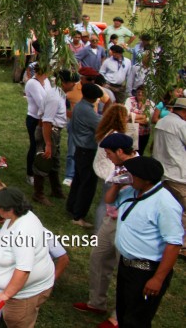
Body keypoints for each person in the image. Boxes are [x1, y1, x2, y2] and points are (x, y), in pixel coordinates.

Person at [106, 157, 183, 327]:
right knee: (123, 312)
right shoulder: (132, 191)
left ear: (147, 180)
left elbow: (173, 244)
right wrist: (116, 185)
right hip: (126, 266)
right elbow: (109, 200)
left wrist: (158, 279)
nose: (129, 177)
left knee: (136, 320)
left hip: (146, 271)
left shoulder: (165, 204)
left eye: (132, 175)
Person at [73, 133, 137, 328]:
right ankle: (96, 302)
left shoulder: (140, 169)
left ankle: (118, 317)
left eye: (109, 153)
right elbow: (109, 198)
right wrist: (117, 186)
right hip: (111, 219)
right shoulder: (119, 167)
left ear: (120, 151)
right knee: (98, 257)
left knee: (124, 270)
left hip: (129, 224)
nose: (107, 157)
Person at [0, 188, 55, 328]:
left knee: (17, 322)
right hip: (20, 292)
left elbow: (23, 270)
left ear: (10, 209)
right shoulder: (16, 217)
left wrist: (6, 294)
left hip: (23, 297)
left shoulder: (23, 232)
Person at [32, 70, 75, 206]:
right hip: (49, 131)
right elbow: (46, 121)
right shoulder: (54, 98)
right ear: (64, 83)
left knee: (54, 162)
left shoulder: (60, 94)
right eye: (72, 82)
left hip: (53, 131)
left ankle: (56, 190)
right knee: (43, 161)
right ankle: (38, 194)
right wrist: (48, 144)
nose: (74, 85)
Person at [151, 97, 186, 259]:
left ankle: (164, 237)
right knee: (183, 211)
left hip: (162, 173)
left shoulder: (162, 121)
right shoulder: (182, 125)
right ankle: (182, 245)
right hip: (179, 175)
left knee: (167, 209)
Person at [66, 83, 103, 228]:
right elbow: (101, 125)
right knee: (87, 184)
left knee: (78, 180)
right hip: (87, 150)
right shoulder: (87, 110)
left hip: (80, 149)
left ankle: (72, 206)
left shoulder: (80, 106)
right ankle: (78, 215)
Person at [24, 60, 51, 185]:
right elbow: (41, 103)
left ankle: (41, 170)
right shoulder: (32, 83)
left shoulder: (47, 81)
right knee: (34, 145)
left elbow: (50, 96)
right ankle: (30, 173)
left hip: (46, 118)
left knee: (44, 145)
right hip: (34, 119)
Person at [124, 85, 153, 155]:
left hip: (144, 133)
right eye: (138, 92)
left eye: (142, 92)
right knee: (129, 151)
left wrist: (132, 118)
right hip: (131, 130)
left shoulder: (150, 103)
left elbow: (147, 120)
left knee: (140, 153)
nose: (140, 94)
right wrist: (142, 117)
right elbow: (126, 114)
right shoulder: (129, 100)